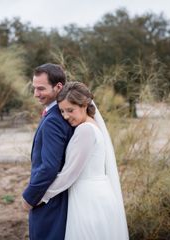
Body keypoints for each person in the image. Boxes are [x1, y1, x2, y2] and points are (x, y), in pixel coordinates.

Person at [41, 81, 129, 239]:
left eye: (70, 110)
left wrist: (42, 195)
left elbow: (70, 174)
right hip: (97, 193)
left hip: (88, 199)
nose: (66, 116)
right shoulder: (92, 126)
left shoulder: (85, 130)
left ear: (84, 105)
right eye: (62, 111)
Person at [22, 63, 74, 240]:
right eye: (34, 88)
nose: (36, 94)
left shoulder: (54, 119)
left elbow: (49, 167)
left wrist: (30, 197)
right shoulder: (61, 114)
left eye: (41, 89)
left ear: (58, 87)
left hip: (49, 200)